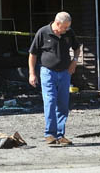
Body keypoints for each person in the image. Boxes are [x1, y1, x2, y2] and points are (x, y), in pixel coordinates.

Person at [28, 11, 81, 146]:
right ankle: (50, 134)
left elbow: (77, 48)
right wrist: (32, 73)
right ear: (57, 23)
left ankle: (60, 134)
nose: (66, 30)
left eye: (68, 27)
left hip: (64, 72)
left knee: (63, 103)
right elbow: (32, 54)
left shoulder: (69, 33)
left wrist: (74, 62)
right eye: (64, 27)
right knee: (50, 101)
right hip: (47, 72)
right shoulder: (43, 32)